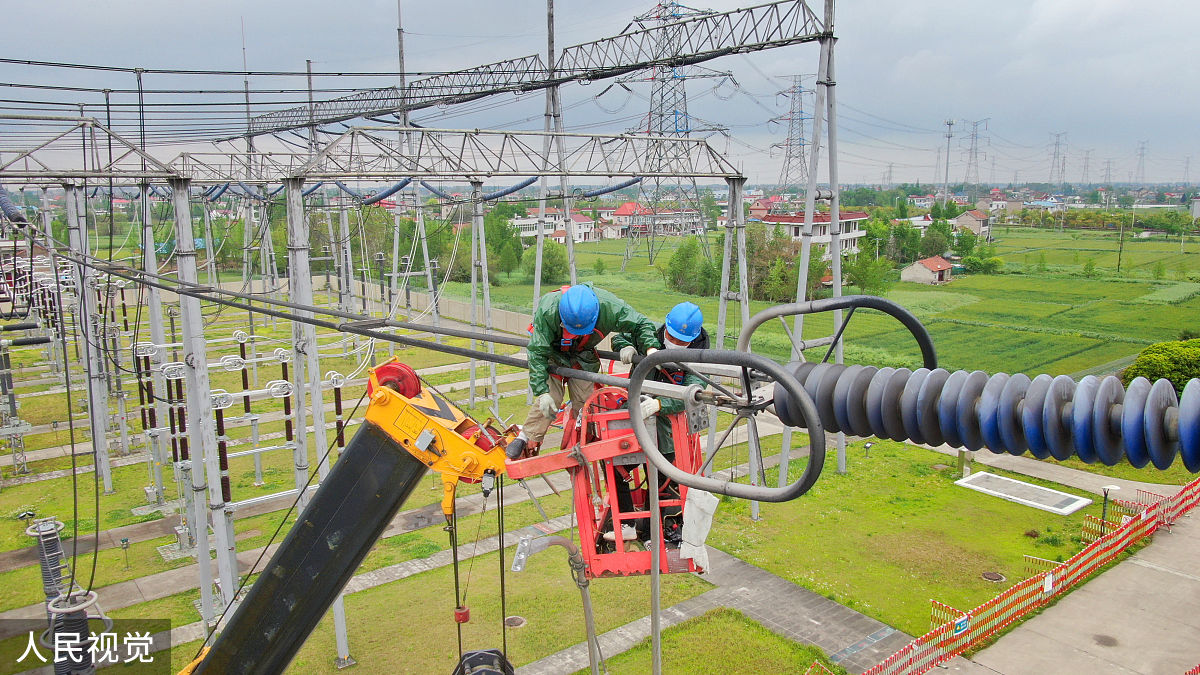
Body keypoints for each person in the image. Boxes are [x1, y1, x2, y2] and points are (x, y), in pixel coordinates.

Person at [505, 283, 660, 459]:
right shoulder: (549, 309)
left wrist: (650, 349)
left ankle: (585, 439)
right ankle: (526, 436)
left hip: (582, 354)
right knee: (551, 398)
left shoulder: (610, 308)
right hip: (552, 352)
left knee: (585, 403)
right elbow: (537, 351)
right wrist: (542, 391)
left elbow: (641, 324)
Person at [609, 301, 709, 544]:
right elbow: (620, 336)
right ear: (665, 327)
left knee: (660, 484)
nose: (674, 343)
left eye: (681, 341)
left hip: (665, 432)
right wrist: (626, 346)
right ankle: (627, 524)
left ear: (692, 339)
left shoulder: (701, 358)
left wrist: (660, 404)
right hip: (635, 420)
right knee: (616, 467)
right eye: (671, 337)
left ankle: (654, 535)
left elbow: (692, 393)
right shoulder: (650, 334)